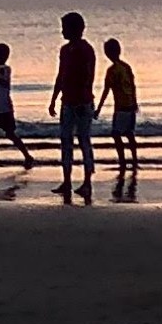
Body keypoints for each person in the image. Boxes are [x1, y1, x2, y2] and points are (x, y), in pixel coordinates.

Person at [48, 11, 97, 201]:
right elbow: (61, 75)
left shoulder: (86, 50)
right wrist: (54, 98)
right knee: (65, 141)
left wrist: (83, 99)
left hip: (82, 102)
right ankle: (67, 180)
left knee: (84, 141)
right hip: (67, 101)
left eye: (65, 28)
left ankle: (87, 182)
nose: (62, 32)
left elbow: (88, 76)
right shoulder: (64, 50)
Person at [0, 41, 34, 171]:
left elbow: (2, 79)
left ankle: (27, 156)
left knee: (10, 134)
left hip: (5, 109)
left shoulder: (5, 69)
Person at [98, 36, 140, 174]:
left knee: (116, 134)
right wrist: (135, 102)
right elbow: (133, 86)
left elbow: (106, 90)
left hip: (121, 107)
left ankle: (123, 161)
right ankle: (134, 160)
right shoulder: (126, 67)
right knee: (129, 134)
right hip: (130, 106)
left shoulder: (112, 70)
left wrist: (98, 108)